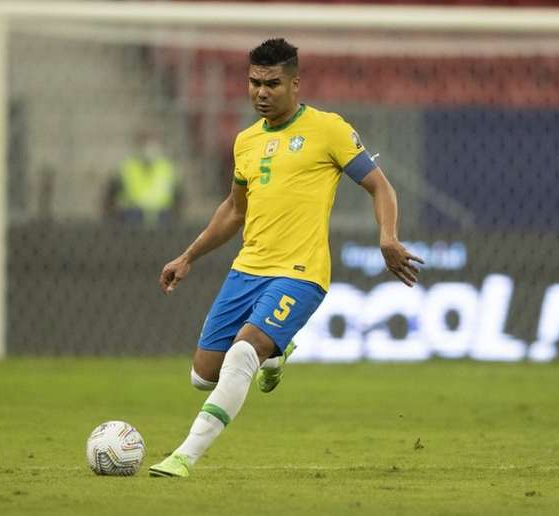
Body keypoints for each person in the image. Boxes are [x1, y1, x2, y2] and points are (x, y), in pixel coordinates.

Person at [148, 38, 424, 478]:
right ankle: (277, 353)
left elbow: (380, 186)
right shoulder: (246, 142)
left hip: (301, 273)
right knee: (203, 376)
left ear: (295, 83)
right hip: (247, 269)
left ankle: (183, 456)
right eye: (254, 82)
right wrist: (188, 256)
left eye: (272, 83)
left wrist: (387, 237)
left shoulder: (328, 129)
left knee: (242, 356)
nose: (261, 92)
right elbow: (234, 210)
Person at [103, 132, 182, 228]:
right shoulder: (126, 168)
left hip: (163, 219)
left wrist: (176, 218)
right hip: (132, 219)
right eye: (146, 143)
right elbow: (110, 195)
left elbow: (179, 197)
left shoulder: (168, 169)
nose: (150, 149)